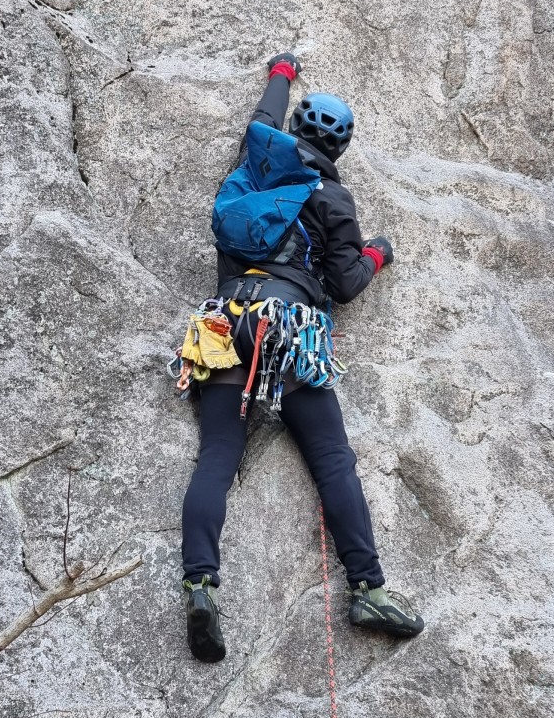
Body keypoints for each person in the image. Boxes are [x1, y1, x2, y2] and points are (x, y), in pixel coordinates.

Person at [179, 53, 425, 662]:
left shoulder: (256, 166)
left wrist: (282, 73)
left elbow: (261, 119)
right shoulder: (334, 200)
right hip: (288, 328)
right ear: (339, 149)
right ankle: (367, 588)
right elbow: (343, 284)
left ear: (293, 131)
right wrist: (377, 254)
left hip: (224, 324)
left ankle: (200, 582)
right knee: (332, 459)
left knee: (217, 455)